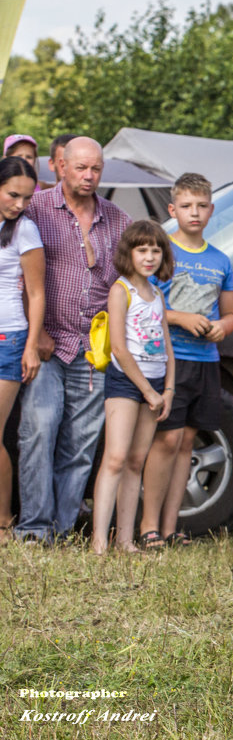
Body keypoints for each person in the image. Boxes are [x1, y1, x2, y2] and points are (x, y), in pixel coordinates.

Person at [16, 137, 131, 544]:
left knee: (80, 444)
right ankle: (34, 529)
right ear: (60, 166)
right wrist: (38, 332)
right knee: (40, 430)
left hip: (93, 348)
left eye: (95, 169)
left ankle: (63, 529)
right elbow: (19, 277)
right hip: (47, 343)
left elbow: (127, 284)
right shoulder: (36, 210)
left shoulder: (118, 220)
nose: (88, 176)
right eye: (80, 167)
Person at [138, 173, 233, 549]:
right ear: (172, 209)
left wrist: (221, 328)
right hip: (171, 360)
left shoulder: (220, 259)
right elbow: (146, 307)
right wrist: (181, 318)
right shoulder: (162, 252)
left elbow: (230, 314)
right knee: (165, 442)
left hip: (206, 360)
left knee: (187, 443)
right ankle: (148, 527)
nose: (194, 213)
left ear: (211, 210)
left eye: (201, 206)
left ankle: (170, 527)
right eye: (186, 206)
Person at [91, 221, 175, 554]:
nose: (150, 256)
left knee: (136, 462)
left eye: (156, 250)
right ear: (129, 253)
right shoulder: (120, 289)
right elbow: (120, 349)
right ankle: (99, 540)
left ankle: (125, 539)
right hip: (126, 381)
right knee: (115, 458)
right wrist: (148, 391)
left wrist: (167, 390)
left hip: (155, 383)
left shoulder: (156, 294)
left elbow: (167, 347)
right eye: (142, 249)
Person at [0, 157, 43, 544]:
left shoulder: (25, 231)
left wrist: (31, 346)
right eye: (13, 195)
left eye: (27, 198)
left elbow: (36, 292)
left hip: (8, 339)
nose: (19, 204)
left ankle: (3, 523)